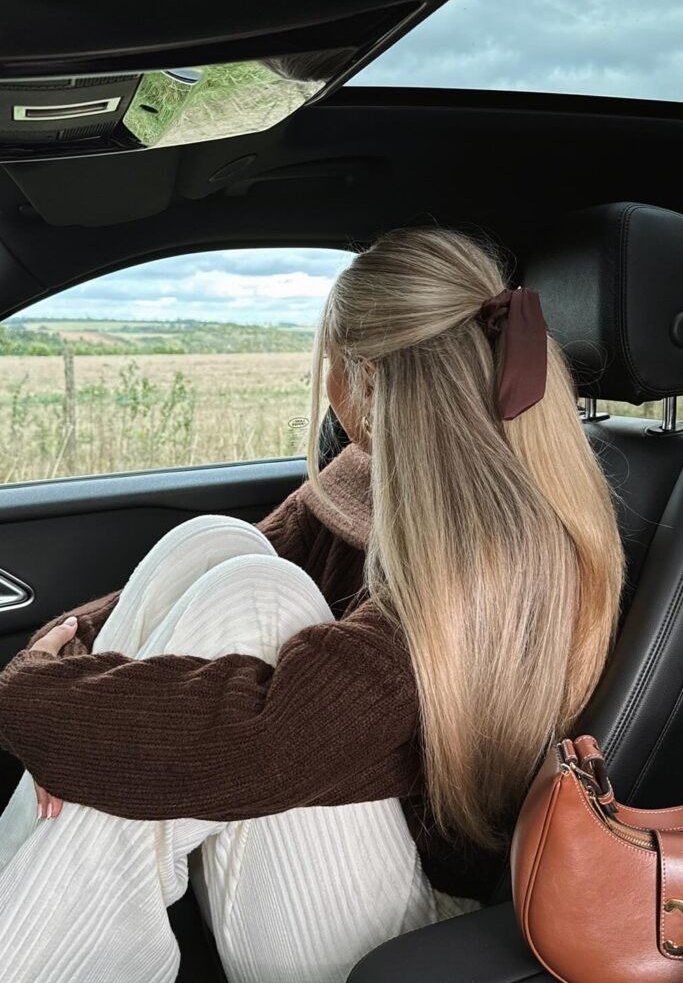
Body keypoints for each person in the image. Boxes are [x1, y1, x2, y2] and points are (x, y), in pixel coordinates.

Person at [0, 228, 624, 983]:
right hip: (326, 823)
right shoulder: (372, 475)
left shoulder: (500, 554)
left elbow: (266, 741)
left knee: (257, 596)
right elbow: (243, 559)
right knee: (216, 543)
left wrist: (39, 699)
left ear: (361, 380)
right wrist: (67, 669)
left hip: (433, 920)